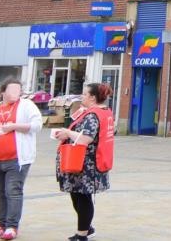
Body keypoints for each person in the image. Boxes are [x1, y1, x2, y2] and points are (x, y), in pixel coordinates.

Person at [0, 78, 43, 241]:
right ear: (2, 92)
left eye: (18, 90)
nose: (15, 93)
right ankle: (0, 225)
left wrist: (15, 126)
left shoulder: (26, 105)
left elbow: (37, 125)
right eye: (11, 90)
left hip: (17, 159)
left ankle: (12, 226)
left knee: (13, 191)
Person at [53, 82, 114, 241]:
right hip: (87, 162)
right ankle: (86, 228)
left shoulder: (93, 115)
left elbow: (86, 139)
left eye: (84, 94)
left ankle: (82, 234)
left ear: (93, 98)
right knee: (77, 195)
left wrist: (67, 133)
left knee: (82, 197)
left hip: (86, 164)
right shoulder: (103, 111)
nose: (82, 96)